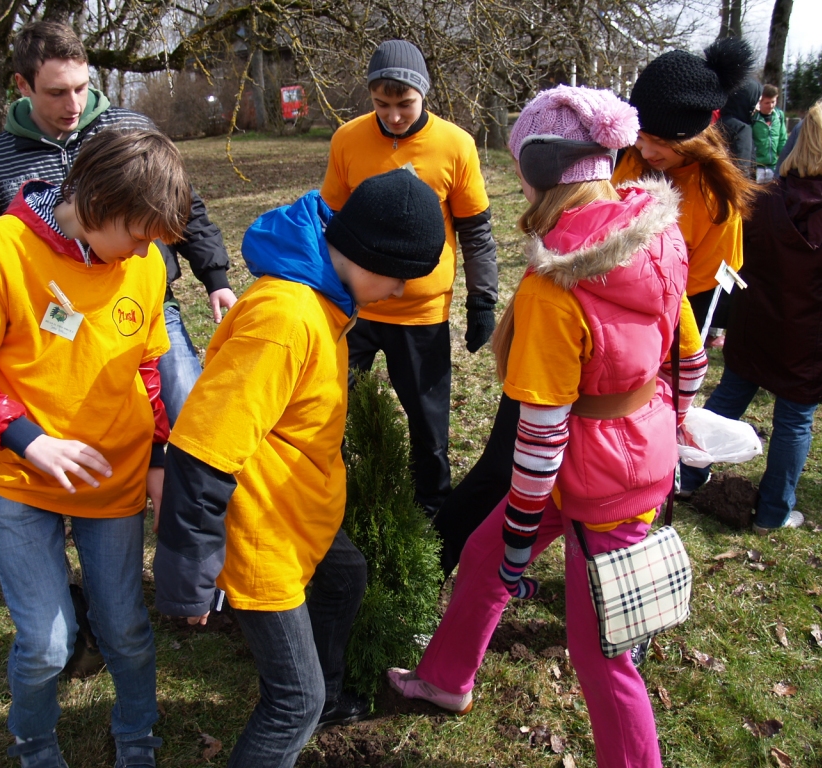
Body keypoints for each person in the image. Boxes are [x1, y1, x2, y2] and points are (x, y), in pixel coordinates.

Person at [387, 85, 707, 768]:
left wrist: (523, 529)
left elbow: (539, 436)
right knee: (480, 557)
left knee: (604, 659)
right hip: (616, 457)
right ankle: (446, 680)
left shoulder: (551, 289)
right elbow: (690, 347)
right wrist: (677, 423)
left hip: (598, 479)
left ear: (539, 171)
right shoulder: (660, 235)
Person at [153, 169, 447, 768]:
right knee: (293, 703)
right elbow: (202, 449)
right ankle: (314, 704)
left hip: (297, 516)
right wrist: (189, 573)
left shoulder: (325, 302)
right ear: (369, 254)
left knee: (343, 578)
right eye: (398, 278)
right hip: (263, 536)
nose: (397, 293)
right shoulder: (287, 321)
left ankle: (328, 697)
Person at [0, 130, 191, 768]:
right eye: (138, 232)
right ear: (95, 201)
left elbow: (147, 368)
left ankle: (136, 734)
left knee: (125, 630)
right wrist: (31, 441)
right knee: (44, 645)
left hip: (113, 477)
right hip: (21, 479)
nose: (146, 251)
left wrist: (157, 460)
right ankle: (35, 744)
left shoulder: (144, 265)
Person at [0, 21, 236, 424]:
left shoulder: (130, 129)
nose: (73, 104)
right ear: (23, 85)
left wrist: (215, 276)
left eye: (81, 87)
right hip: (56, 319)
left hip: (143, 303)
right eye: (56, 92)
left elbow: (183, 206)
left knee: (186, 418)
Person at [679, 100, 822, 529]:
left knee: (734, 402)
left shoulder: (764, 200)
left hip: (762, 326)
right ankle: (765, 510)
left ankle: (692, 477)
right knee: (789, 420)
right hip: (807, 335)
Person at [320, 40, 498, 517]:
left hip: (421, 313)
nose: (393, 116)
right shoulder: (347, 140)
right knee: (324, 408)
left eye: (405, 104)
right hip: (355, 308)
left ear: (424, 95)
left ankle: (431, 507)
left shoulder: (455, 145)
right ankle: (326, 494)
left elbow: (476, 232)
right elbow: (328, 221)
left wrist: (483, 299)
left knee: (428, 424)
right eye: (382, 105)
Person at [614, 37, 759, 335]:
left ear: (693, 139)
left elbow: (703, 285)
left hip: (675, 312)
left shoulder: (716, 198)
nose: (646, 152)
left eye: (662, 143)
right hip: (613, 303)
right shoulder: (624, 157)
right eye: (641, 137)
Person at [719, 78, 762, 178]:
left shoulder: (718, 124)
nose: (758, 108)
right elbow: (743, 171)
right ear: (747, 100)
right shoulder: (742, 129)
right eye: (757, 102)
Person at [752, 84, 787, 181]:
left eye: (773, 102)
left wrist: (785, 159)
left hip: (773, 166)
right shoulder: (754, 117)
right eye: (767, 103)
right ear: (760, 102)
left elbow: (782, 139)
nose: (771, 106)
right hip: (756, 167)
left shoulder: (779, 115)